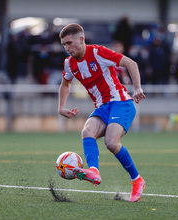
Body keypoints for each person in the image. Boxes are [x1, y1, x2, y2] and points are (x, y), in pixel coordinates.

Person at [58, 23, 146, 202]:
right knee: (86, 131)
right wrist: (61, 107)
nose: (67, 48)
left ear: (81, 40)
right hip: (102, 107)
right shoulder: (69, 64)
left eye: (69, 43)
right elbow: (65, 84)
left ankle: (137, 180)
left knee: (111, 143)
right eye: (64, 45)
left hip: (121, 103)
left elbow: (131, 63)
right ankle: (94, 171)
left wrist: (137, 88)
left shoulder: (98, 52)